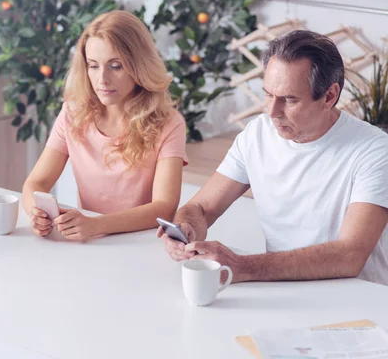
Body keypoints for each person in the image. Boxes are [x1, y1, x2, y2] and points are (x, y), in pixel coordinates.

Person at [158, 30, 388, 285]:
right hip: (281, 291)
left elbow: (349, 255)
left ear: (329, 96)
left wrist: (241, 266)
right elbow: (201, 208)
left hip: (359, 302)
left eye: (289, 99)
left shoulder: (375, 151)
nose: (272, 111)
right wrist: (186, 228)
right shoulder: (257, 134)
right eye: (268, 94)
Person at [22, 10, 188, 241]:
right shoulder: (73, 112)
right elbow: (35, 182)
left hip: (140, 244)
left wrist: (96, 225)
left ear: (138, 65)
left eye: (115, 66)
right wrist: (36, 212)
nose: (102, 79)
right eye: (93, 66)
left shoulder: (169, 124)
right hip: (90, 243)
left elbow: (164, 207)